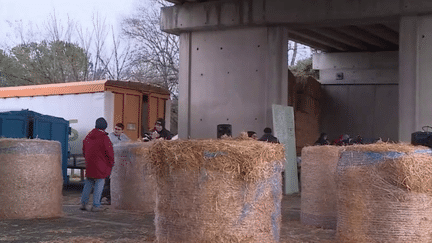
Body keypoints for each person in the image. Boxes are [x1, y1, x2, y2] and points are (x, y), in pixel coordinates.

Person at [80, 117, 114, 212]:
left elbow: (84, 150)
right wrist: (111, 163)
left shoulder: (88, 137)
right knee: (99, 183)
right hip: (101, 165)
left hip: (90, 164)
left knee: (89, 182)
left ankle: (83, 203)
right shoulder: (104, 138)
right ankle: (96, 205)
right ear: (105, 127)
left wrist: (88, 159)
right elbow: (109, 152)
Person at [102, 123, 130, 205]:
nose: (116, 131)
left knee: (118, 181)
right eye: (115, 129)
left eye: (118, 129)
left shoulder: (124, 137)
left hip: (120, 163)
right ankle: (105, 196)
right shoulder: (110, 136)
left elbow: (129, 145)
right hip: (110, 162)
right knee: (108, 181)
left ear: (122, 131)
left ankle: (113, 197)